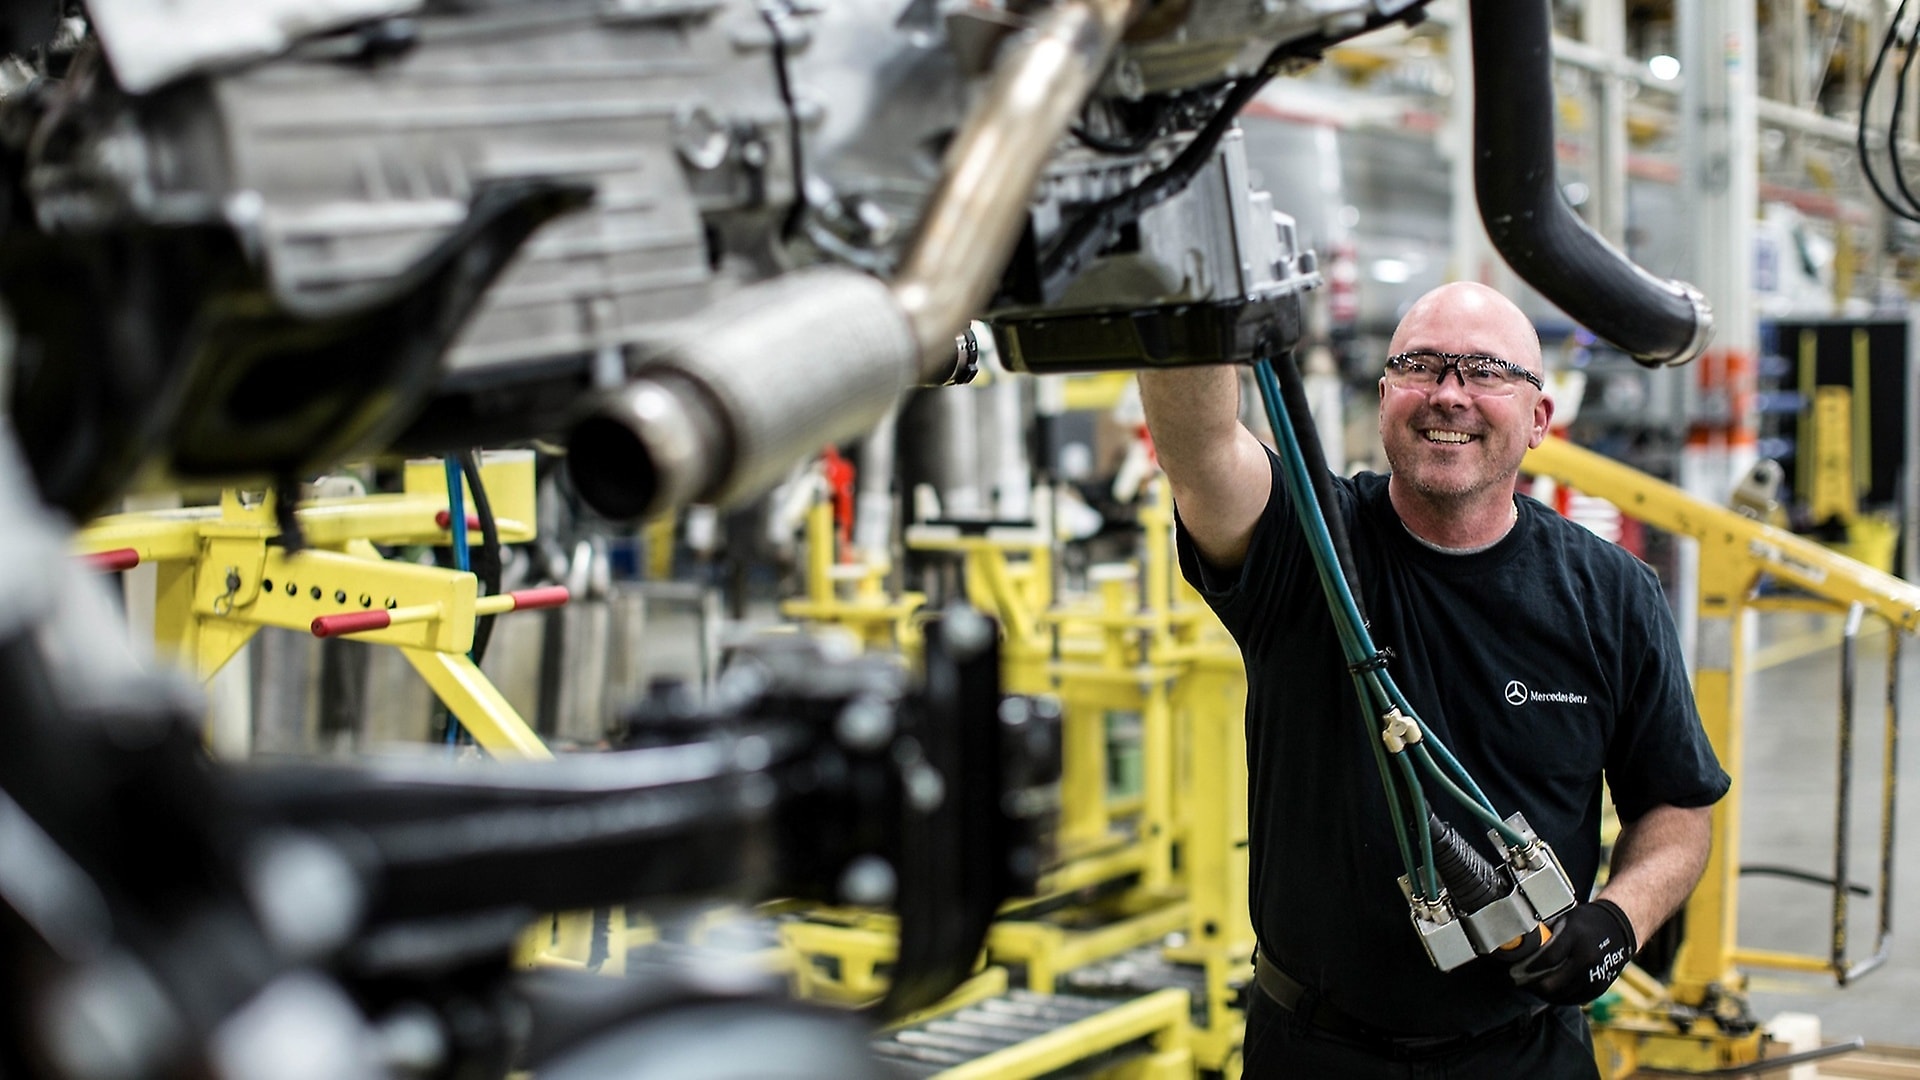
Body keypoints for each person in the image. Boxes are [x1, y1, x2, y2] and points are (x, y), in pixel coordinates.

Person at [1137, 281, 1730, 1077]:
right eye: (1421, 366)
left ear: (1540, 421)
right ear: (1384, 399)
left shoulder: (1612, 594)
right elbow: (1201, 444)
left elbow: (1678, 806)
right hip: (1317, 1050)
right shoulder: (1307, 547)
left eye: (1485, 371)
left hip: (1525, 1054)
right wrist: (1187, 284)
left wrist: (1620, 921)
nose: (1449, 395)